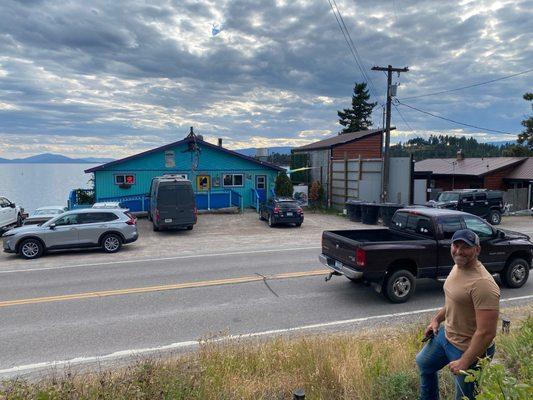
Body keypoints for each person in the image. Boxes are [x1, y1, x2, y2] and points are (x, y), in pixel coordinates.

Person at [416, 229, 500, 400]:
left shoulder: (483, 284)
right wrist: (436, 320)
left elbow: (487, 332)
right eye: (456, 245)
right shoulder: (457, 266)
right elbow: (454, 301)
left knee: (464, 397)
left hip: (468, 350)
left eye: (466, 247)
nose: (459, 251)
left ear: (477, 250)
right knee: (424, 364)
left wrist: (465, 361)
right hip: (446, 337)